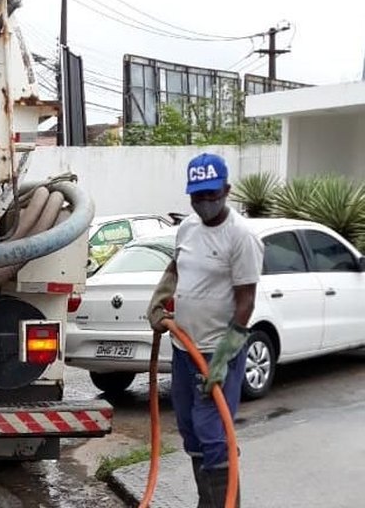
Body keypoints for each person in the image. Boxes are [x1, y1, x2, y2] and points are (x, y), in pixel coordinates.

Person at [147, 153, 264, 508]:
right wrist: (160, 298)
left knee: (214, 432)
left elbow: (246, 301)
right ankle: (209, 502)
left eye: (212, 195)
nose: (205, 203)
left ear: (226, 190)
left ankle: (226, 503)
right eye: (198, 196)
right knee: (191, 429)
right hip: (184, 349)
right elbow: (176, 266)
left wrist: (224, 359)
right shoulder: (187, 228)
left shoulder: (241, 237)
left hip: (218, 351)